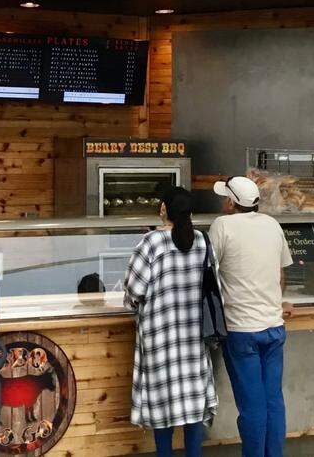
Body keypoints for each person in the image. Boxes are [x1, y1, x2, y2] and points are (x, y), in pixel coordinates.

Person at [124, 188, 216, 457]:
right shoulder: (202, 241)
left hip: (159, 337)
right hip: (194, 335)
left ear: (164, 209)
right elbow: (213, 286)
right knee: (192, 402)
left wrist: (132, 306)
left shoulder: (151, 242)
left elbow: (134, 291)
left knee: (163, 404)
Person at [210, 176, 294, 457]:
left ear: (232, 202)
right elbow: (281, 276)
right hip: (274, 327)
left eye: (226, 198)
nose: (223, 202)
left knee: (252, 407)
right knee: (273, 402)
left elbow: (209, 273)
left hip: (241, 330)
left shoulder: (222, 226)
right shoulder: (272, 225)